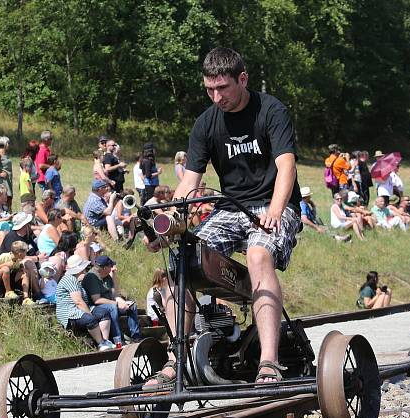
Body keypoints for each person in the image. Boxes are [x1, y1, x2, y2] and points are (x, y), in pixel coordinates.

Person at [146, 47, 304, 387]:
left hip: (273, 204)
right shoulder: (206, 123)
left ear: (242, 79)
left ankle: (268, 363)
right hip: (230, 208)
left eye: (224, 88)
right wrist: (168, 222)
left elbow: (286, 165)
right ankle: (178, 358)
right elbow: (189, 181)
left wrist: (276, 210)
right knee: (180, 261)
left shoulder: (271, 110)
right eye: (210, 90)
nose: (217, 97)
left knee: (258, 255)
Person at [56, 255, 116, 351]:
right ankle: (100, 343)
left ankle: (105, 340)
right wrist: (90, 314)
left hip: (80, 309)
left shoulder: (75, 278)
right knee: (90, 319)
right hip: (70, 313)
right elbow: (78, 302)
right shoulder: (69, 279)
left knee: (104, 313)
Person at [82, 254, 142, 346]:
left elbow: (115, 293)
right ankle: (118, 339)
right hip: (95, 308)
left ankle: (136, 337)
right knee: (112, 307)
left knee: (131, 305)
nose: (112, 267)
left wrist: (114, 275)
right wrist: (116, 303)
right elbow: (96, 300)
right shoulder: (92, 277)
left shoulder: (106, 276)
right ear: (105, 268)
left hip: (109, 303)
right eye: (110, 266)